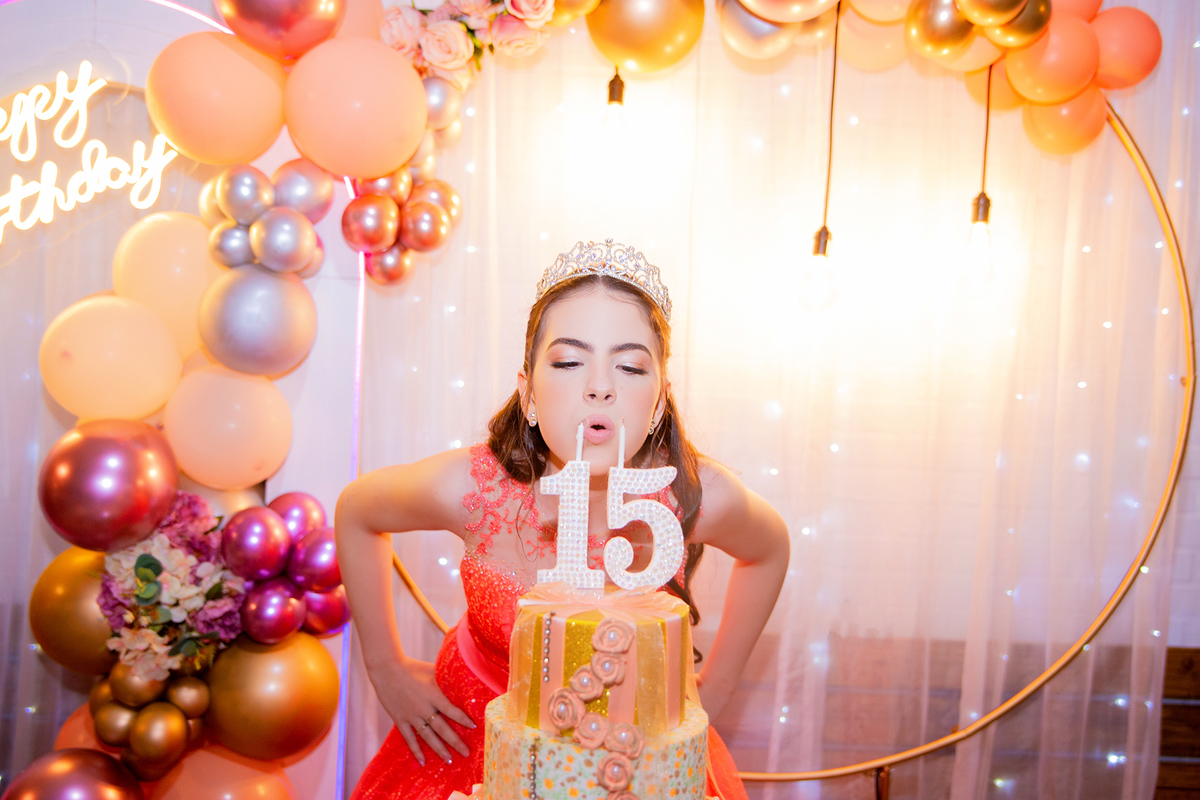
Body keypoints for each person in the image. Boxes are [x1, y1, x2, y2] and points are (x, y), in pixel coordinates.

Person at [337, 240, 790, 800]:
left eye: (628, 366)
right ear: (527, 390)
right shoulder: (471, 488)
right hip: (472, 742)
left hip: (635, 761)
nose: (599, 386)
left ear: (658, 404)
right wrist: (384, 667)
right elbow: (357, 510)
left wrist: (715, 689)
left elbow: (769, 549)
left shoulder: (688, 494)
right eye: (570, 361)